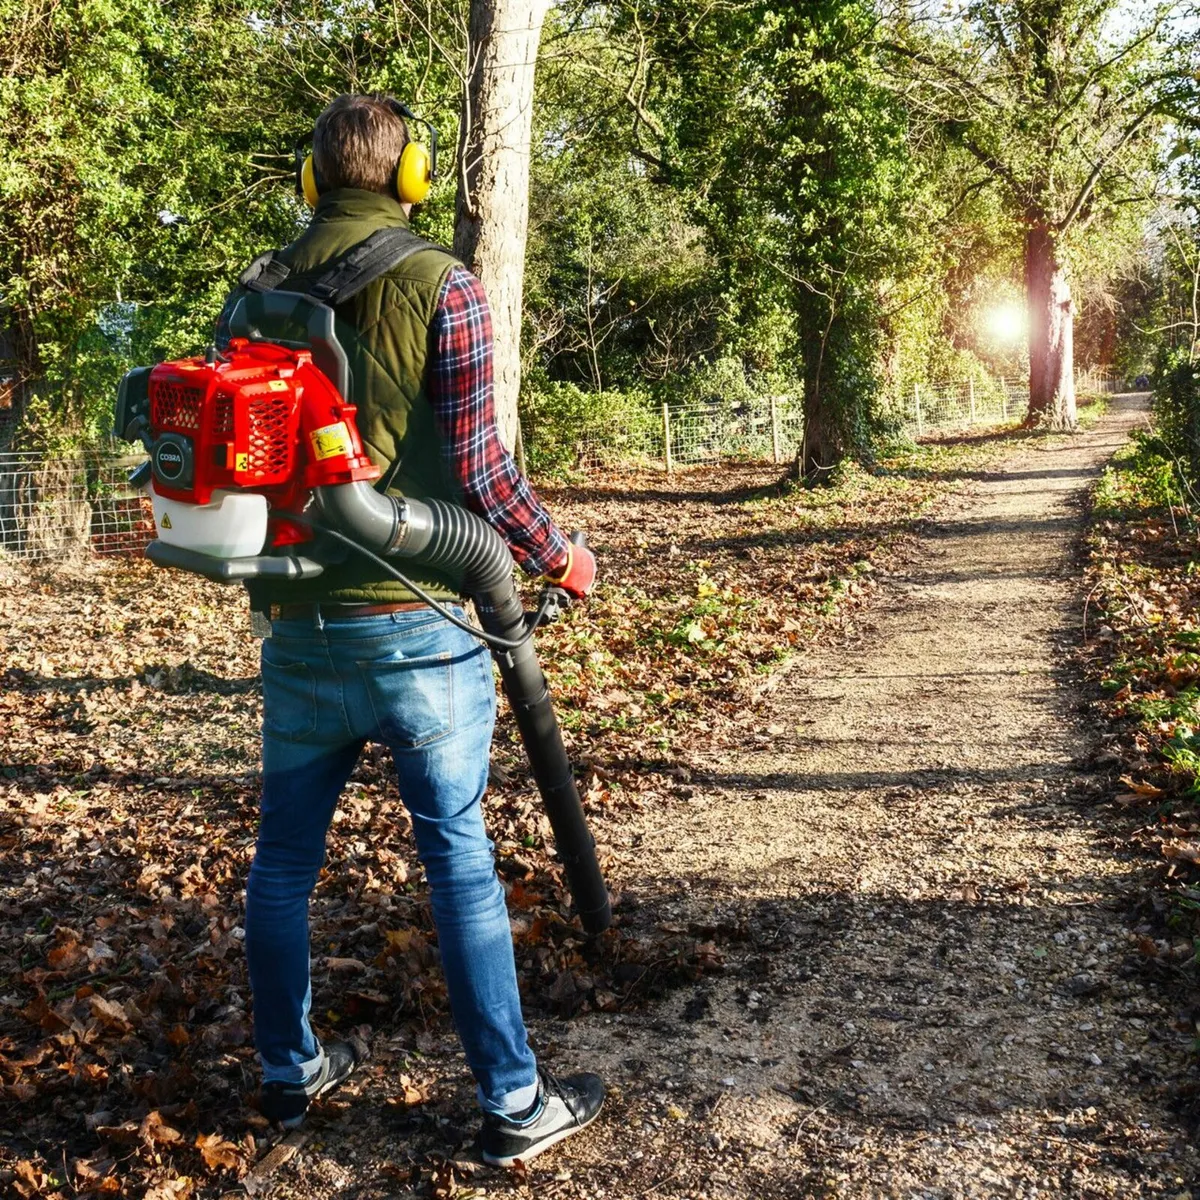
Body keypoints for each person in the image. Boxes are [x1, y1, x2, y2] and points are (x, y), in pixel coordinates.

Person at [219, 93, 604, 1166]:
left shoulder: (253, 295)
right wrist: (557, 555)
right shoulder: (447, 283)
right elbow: (482, 473)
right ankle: (513, 1102)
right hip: (422, 624)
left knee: (285, 863)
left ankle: (289, 1072)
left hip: (298, 626)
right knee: (458, 861)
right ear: (412, 177)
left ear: (311, 179)